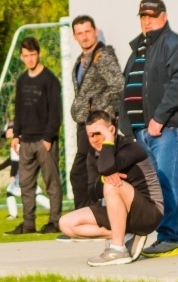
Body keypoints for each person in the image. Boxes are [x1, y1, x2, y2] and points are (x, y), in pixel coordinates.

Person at [119, 0, 178, 258]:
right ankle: (163, 235)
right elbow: (127, 89)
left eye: (152, 15)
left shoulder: (175, 45)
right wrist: (127, 128)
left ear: (164, 16)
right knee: (151, 187)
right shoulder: (139, 48)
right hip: (141, 132)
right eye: (143, 16)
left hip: (167, 129)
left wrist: (159, 118)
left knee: (167, 180)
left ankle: (174, 237)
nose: (147, 20)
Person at [59, 110, 163, 266]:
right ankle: (126, 235)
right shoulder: (92, 154)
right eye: (90, 135)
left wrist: (108, 141)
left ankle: (118, 249)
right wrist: (103, 177)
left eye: (98, 133)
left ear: (111, 130)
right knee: (66, 223)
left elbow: (106, 167)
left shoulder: (130, 147)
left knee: (111, 185)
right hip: (119, 213)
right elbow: (93, 192)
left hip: (149, 212)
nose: (94, 140)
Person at [4, 37, 63, 236]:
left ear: (39, 54)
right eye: (25, 56)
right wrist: (16, 135)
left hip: (45, 141)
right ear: (21, 57)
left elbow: (56, 111)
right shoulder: (21, 80)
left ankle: (54, 222)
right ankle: (28, 224)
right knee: (25, 185)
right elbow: (19, 110)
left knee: (51, 183)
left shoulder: (50, 80)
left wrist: (49, 137)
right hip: (26, 141)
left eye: (32, 55)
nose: (29, 59)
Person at [66, 16, 124, 212]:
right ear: (74, 36)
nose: (84, 37)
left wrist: (97, 110)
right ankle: (89, 217)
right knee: (86, 172)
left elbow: (118, 85)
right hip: (83, 124)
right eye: (80, 33)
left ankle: (88, 217)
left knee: (80, 173)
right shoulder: (80, 61)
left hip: (96, 124)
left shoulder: (102, 57)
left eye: (87, 32)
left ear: (95, 31)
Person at [0, 121, 50, 220]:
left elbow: (15, 161)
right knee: (32, 192)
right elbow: (12, 159)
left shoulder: (15, 143)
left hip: (21, 172)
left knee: (11, 192)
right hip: (28, 170)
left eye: (7, 131)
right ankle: (53, 207)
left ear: (13, 130)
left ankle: (13, 214)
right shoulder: (24, 140)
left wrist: (12, 175)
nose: (6, 134)